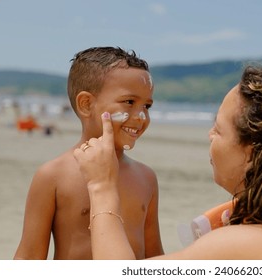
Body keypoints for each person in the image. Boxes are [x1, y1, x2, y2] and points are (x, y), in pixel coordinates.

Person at [74, 62, 262, 260]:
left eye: (218, 128)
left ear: (252, 152)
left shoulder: (245, 243)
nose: (209, 135)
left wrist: (101, 187)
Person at [14, 47, 164, 259]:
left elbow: (154, 255)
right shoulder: (53, 175)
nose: (141, 116)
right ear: (86, 104)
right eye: (129, 102)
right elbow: (29, 257)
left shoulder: (147, 178)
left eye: (147, 106)